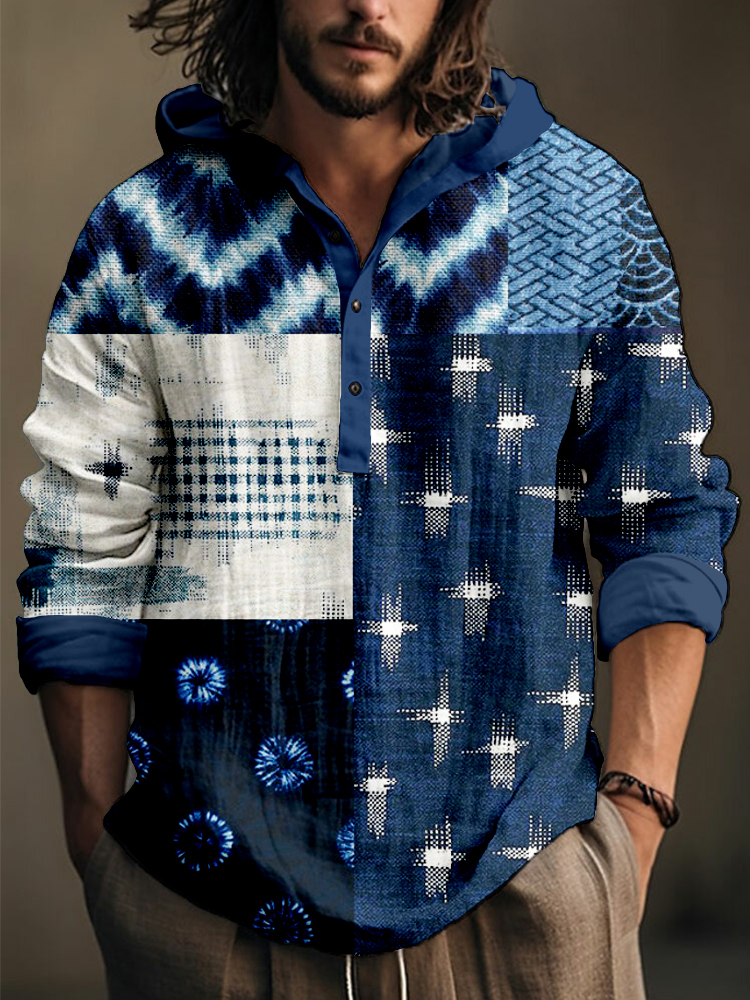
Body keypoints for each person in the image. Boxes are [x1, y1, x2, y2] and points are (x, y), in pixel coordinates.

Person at [15, 1, 740, 998]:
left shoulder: (579, 213)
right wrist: (98, 837)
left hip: (524, 900)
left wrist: (635, 819)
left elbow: (663, 516)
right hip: (206, 909)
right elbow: (83, 546)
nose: (368, 3)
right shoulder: (145, 235)